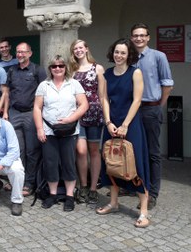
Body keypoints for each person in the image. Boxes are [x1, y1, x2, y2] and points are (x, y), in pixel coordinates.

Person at [96, 38, 151, 228]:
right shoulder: (107, 74)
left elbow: (137, 101)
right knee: (111, 162)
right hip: (111, 123)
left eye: (123, 53)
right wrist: (108, 122)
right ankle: (113, 202)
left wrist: (125, 124)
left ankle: (144, 211)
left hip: (131, 123)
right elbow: (103, 99)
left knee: (135, 163)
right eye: (116, 52)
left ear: (129, 55)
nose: (118, 56)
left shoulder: (135, 72)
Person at [34, 55, 88, 212]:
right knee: (50, 163)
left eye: (61, 66)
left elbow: (84, 104)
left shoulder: (74, 84)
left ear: (66, 68)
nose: (57, 68)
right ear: (50, 69)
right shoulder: (44, 85)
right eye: (54, 66)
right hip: (49, 130)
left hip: (69, 131)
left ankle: (70, 196)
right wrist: (39, 129)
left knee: (68, 163)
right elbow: (37, 108)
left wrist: (70, 118)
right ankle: (52, 194)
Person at [131, 23, 174, 210]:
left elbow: (168, 84)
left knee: (153, 153)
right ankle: (133, 184)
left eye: (142, 35)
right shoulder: (129, 57)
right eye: (135, 35)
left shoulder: (158, 56)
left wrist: (158, 106)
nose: (139, 38)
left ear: (148, 37)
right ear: (132, 38)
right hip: (132, 110)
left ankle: (152, 192)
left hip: (150, 108)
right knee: (132, 150)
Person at [3, 42, 47, 197]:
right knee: (17, 150)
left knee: (31, 151)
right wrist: (5, 112)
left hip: (30, 114)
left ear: (29, 53)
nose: (20, 54)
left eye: (23, 52)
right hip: (14, 113)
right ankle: (16, 180)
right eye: (18, 52)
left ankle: (29, 183)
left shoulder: (37, 70)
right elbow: (7, 93)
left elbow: (44, 93)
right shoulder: (12, 70)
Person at [69, 39, 105, 204]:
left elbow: (103, 95)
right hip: (78, 115)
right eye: (75, 48)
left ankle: (92, 188)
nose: (78, 50)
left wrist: (107, 116)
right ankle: (82, 185)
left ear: (86, 49)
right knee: (81, 151)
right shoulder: (72, 71)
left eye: (80, 47)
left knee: (94, 151)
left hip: (95, 114)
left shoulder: (97, 68)